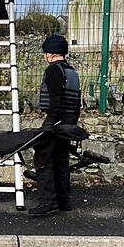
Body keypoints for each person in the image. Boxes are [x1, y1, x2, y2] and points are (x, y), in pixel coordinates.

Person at [30, 35, 81, 216]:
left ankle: (48, 202)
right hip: (69, 122)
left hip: (56, 121)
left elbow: (55, 98)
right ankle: (63, 201)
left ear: (50, 53)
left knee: (43, 159)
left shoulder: (53, 71)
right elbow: (76, 103)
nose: (44, 55)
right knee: (61, 160)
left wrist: (50, 123)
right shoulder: (72, 72)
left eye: (45, 52)